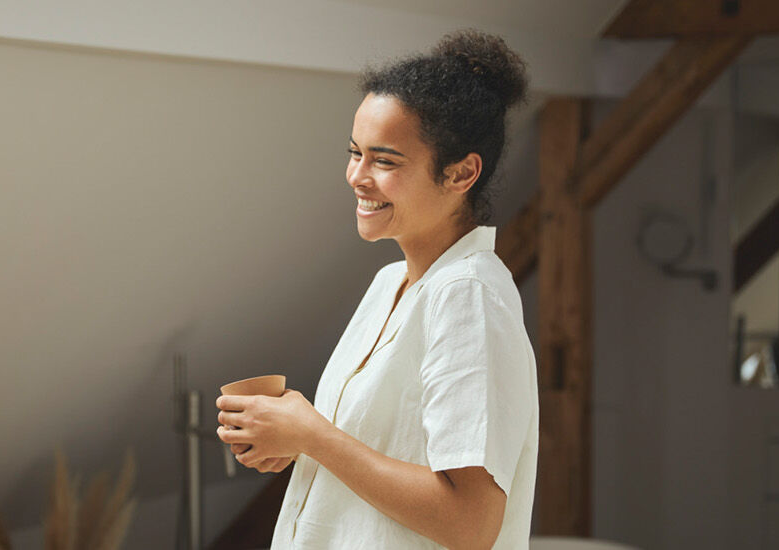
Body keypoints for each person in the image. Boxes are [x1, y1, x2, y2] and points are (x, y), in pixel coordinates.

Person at [215, 28, 539, 549]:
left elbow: (470, 524)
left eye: (385, 161)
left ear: (461, 173)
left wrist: (314, 435)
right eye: (355, 153)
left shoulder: (468, 297)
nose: (357, 177)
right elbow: (386, 449)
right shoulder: (392, 282)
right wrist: (293, 441)